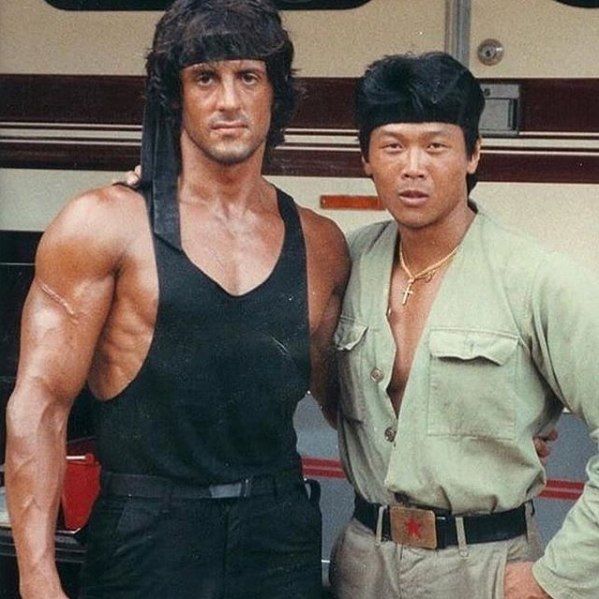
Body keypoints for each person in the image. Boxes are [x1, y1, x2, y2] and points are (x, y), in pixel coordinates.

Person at [5, 1, 348, 597]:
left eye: (248, 77)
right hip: (148, 534)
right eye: (204, 78)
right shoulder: (104, 224)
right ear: (175, 96)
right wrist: (37, 578)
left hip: (277, 534)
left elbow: (350, 401)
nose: (229, 101)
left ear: (277, 94)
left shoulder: (320, 243)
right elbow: (41, 405)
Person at [328, 52, 599, 599]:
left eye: (436, 146)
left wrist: (555, 579)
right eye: (392, 146)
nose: (413, 167)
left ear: (473, 153)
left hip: (486, 567)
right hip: (363, 562)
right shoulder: (345, 262)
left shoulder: (538, 278)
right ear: (365, 159)